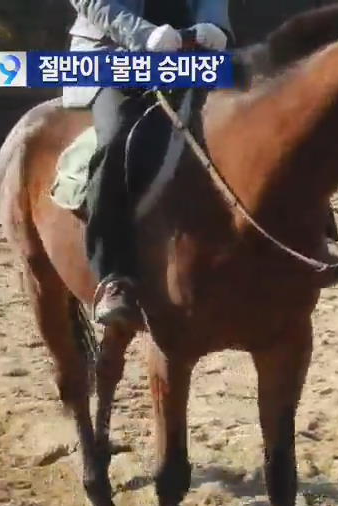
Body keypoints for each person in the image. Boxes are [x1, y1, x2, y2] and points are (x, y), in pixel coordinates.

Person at [65, 1, 233, 328]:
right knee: (116, 141)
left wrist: (215, 27)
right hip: (112, 52)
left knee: (268, 103)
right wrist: (145, 35)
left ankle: (314, 233)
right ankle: (115, 277)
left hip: (192, 49)